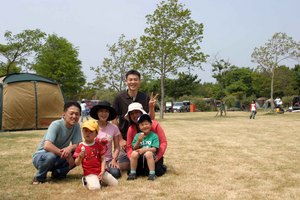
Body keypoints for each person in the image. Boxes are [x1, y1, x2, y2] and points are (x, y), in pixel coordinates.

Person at [112, 69, 157, 169]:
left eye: (135, 80)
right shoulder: (119, 97)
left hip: (143, 139)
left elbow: (151, 120)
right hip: (125, 139)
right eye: (130, 80)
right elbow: (114, 119)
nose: (133, 82)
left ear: (139, 81)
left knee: (144, 161)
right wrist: (120, 139)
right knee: (124, 165)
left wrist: (151, 107)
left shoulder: (144, 97)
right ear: (126, 81)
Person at [32, 101, 82, 184]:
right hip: (42, 157)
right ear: (64, 114)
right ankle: (39, 178)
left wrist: (70, 148)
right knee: (51, 156)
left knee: (79, 154)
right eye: (71, 113)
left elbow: (77, 145)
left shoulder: (76, 126)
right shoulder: (56, 124)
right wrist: (67, 156)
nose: (74, 116)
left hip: (58, 157)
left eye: (77, 114)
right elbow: (47, 146)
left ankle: (58, 174)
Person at [74, 120, 118, 190]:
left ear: (96, 134)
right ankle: (86, 180)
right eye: (85, 131)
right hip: (90, 173)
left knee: (115, 183)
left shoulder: (98, 145)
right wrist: (80, 157)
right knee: (96, 188)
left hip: (100, 171)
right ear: (82, 132)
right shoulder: (80, 146)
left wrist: (102, 171)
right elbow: (77, 163)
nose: (87, 133)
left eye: (91, 131)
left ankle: (98, 180)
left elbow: (103, 159)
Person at [125, 102, 167, 177]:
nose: (134, 115)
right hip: (139, 155)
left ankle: (159, 167)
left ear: (141, 112)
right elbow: (129, 147)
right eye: (132, 113)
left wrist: (157, 157)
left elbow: (163, 142)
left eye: (137, 112)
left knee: (158, 171)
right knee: (136, 172)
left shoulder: (154, 125)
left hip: (153, 154)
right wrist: (132, 158)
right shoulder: (131, 129)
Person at [89, 101, 121, 179]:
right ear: (97, 113)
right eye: (101, 111)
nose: (104, 114)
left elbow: (117, 147)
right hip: (95, 158)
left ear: (109, 114)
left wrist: (114, 159)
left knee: (116, 173)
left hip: (108, 159)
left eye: (106, 111)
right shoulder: (91, 126)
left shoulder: (114, 128)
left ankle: (104, 171)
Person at [127, 114, 159, 181]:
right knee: (133, 153)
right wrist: (139, 141)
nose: (144, 126)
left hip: (150, 154)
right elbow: (134, 148)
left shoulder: (154, 135)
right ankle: (133, 173)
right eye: (142, 125)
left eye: (146, 124)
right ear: (139, 127)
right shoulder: (137, 136)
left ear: (150, 124)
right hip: (140, 155)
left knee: (148, 153)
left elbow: (154, 149)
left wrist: (145, 150)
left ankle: (152, 174)